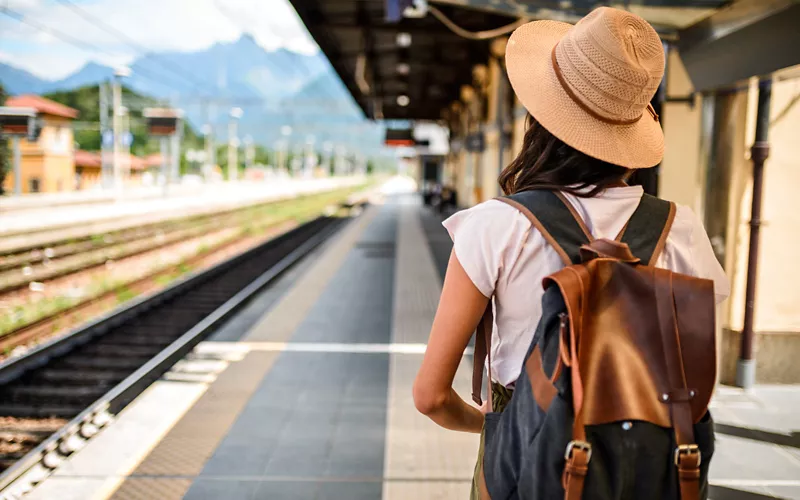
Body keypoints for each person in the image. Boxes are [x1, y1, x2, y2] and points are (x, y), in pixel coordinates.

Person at [412, 6, 730, 499]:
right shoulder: (680, 228)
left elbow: (431, 396)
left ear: (540, 120)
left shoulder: (497, 225)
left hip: (520, 469)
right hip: (640, 465)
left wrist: (509, 429)